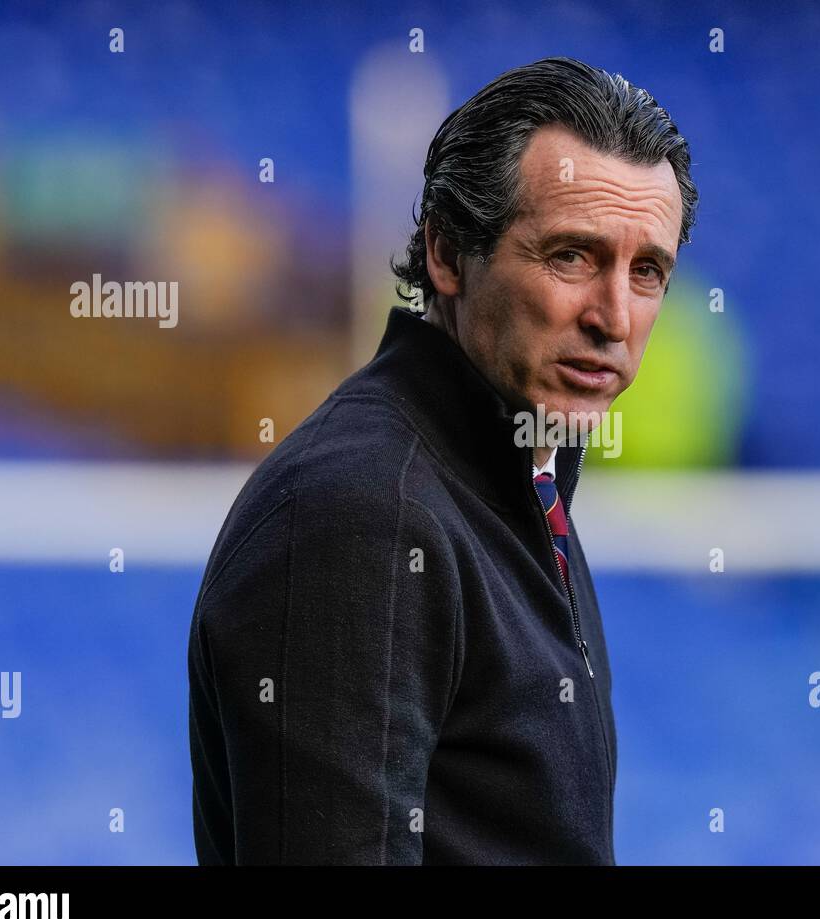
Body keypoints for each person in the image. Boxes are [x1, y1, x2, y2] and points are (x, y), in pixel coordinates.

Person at [188, 55, 698, 864]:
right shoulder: (364, 513)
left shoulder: (515, 480)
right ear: (447, 253)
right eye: (571, 255)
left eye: (646, 272)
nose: (613, 316)